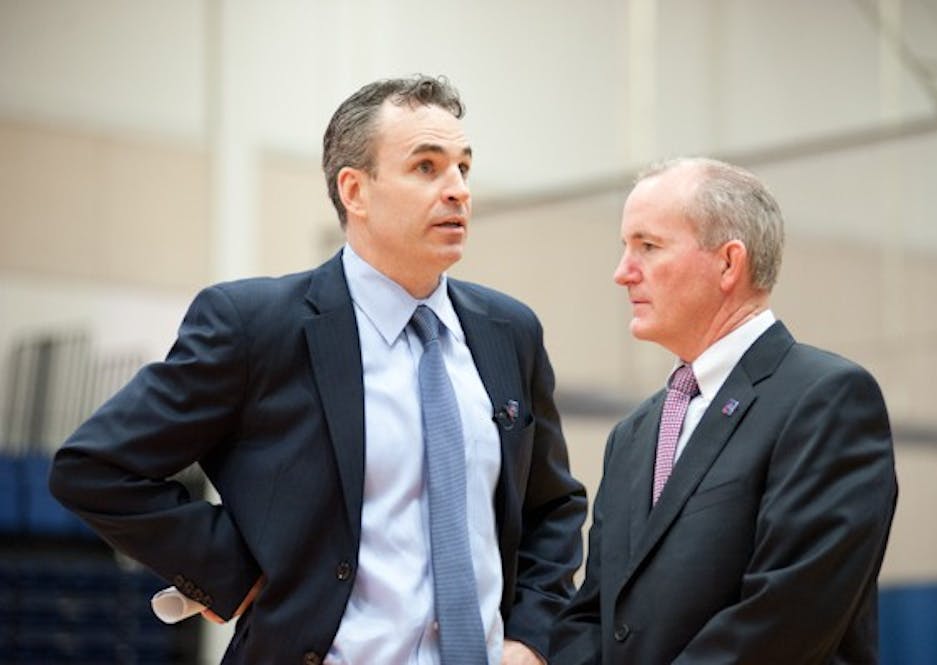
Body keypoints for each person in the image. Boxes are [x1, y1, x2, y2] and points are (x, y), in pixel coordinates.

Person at [49, 75, 586, 665]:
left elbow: (551, 508)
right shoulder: (256, 326)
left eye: (463, 167)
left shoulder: (510, 331)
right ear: (354, 190)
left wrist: (531, 639)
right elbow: (96, 466)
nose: (457, 189)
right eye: (427, 168)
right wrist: (231, 571)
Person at [549, 157, 897, 664]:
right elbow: (593, 615)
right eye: (625, 247)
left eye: (647, 246)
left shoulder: (827, 398)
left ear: (729, 263)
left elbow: (786, 617)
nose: (622, 272)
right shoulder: (633, 434)